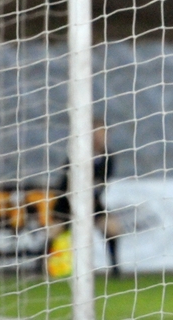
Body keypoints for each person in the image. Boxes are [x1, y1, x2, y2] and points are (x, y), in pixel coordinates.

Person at [51, 118, 123, 276]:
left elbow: (102, 182)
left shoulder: (108, 157)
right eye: (99, 134)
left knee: (112, 228)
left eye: (105, 134)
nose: (103, 138)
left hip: (92, 202)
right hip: (67, 201)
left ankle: (115, 268)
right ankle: (41, 266)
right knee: (55, 232)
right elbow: (64, 180)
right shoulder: (77, 154)